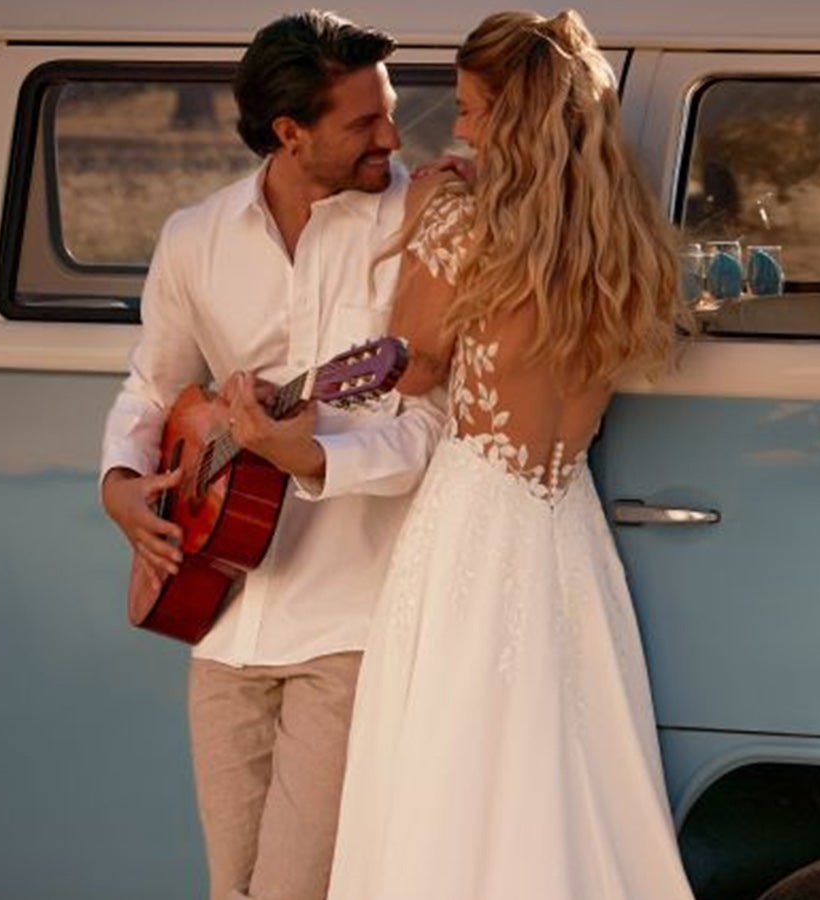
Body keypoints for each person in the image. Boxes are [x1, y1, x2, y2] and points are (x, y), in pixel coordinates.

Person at [326, 9, 695, 899]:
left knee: (449, 761)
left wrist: (427, 209)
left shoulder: (460, 226)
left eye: (468, 108)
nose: (458, 129)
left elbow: (413, 367)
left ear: (514, 117)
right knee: (567, 767)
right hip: (566, 527)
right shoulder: (627, 245)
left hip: (473, 522)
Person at [94, 12, 445, 900]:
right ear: (290, 133)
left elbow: (436, 428)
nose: (392, 138)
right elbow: (152, 389)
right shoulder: (194, 237)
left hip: (353, 618)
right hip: (219, 613)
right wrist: (121, 486)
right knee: (231, 887)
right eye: (364, 122)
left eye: (389, 111)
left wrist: (313, 458)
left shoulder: (423, 226)